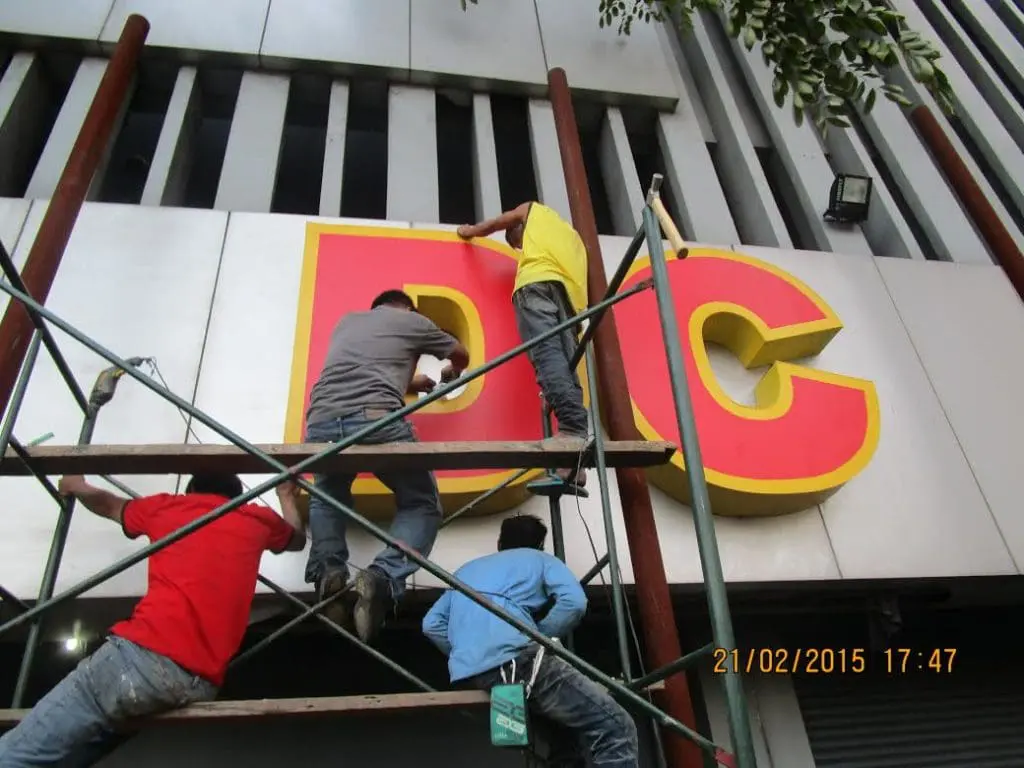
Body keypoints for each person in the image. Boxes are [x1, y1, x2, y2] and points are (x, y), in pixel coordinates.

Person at [0, 473, 306, 768]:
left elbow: (109, 505)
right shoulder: (255, 520)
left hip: (140, 661)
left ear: (191, 489)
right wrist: (285, 497)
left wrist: (78, 486)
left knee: (17, 753)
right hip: (197, 684)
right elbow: (295, 539)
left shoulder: (168, 507)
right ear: (237, 495)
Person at [304, 289, 470, 643]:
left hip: (320, 419)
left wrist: (408, 383)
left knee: (327, 493)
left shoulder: (347, 321)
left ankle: (329, 570)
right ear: (407, 307)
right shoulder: (413, 320)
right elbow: (461, 353)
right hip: (376, 417)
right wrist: (449, 370)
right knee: (421, 503)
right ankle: (381, 577)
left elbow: (363, 369)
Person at [422, 515, 639, 768]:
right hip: (520, 662)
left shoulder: (465, 571)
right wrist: (540, 636)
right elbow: (574, 603)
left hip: (477, 675)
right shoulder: (540, 559)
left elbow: (430, 624)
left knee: (565, 743)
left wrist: (468, 655)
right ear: (540, 545)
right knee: (616, 726)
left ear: (500, 543)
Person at [457, 202, 589, 489]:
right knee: (565, 367)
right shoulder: (572, 237)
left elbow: (497, 221)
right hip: (569, 301)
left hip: (536, 286)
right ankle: (574, 465)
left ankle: (572, 430)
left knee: (547, 357)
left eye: (516, 242)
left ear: (520, 230)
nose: (520, 249)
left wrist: (469, 231)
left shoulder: (534, 210)